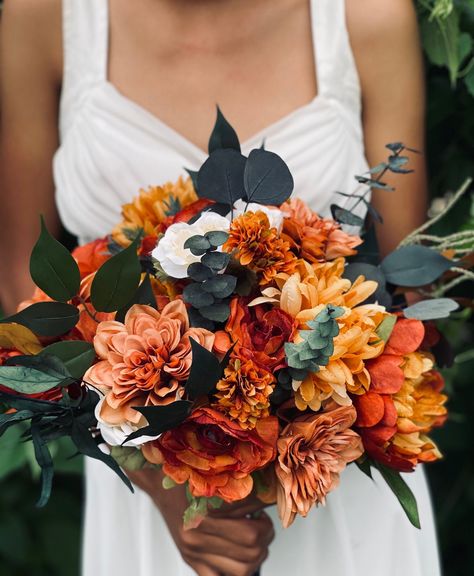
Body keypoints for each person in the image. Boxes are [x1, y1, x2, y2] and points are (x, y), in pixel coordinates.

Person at [0, 1, 441, 575]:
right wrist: (159, 478)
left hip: (333, 482)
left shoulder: (366, 14)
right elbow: (22, 290)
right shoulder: (45, 14)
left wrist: (271, 454)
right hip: (146, 492)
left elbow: (409, 293)